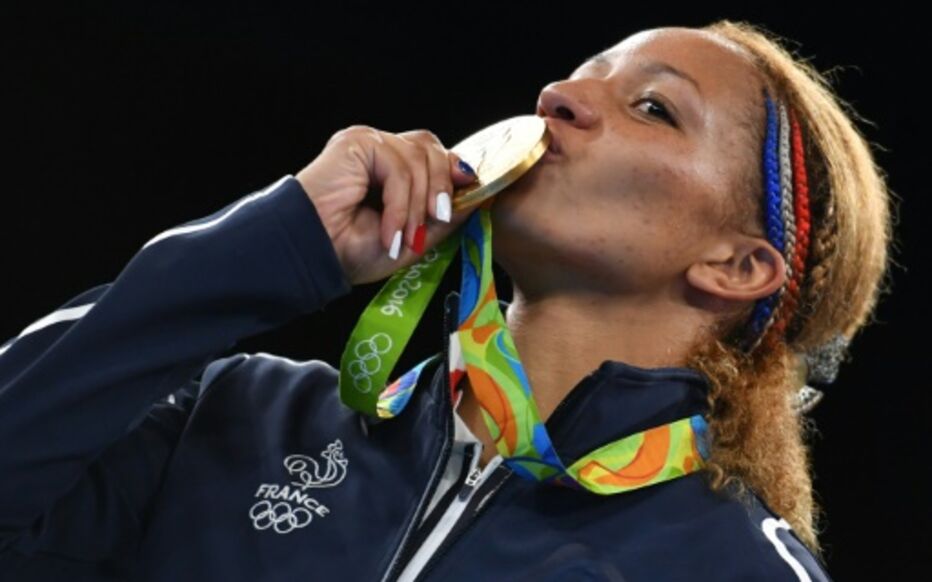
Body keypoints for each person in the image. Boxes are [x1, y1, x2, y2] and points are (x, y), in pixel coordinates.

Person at [0, 20, 892, 581]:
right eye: (582, 74)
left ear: (736, 266)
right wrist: (273, 245)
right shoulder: (241, 420)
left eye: (653, 108)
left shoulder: (731, 567)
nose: (559, 99)